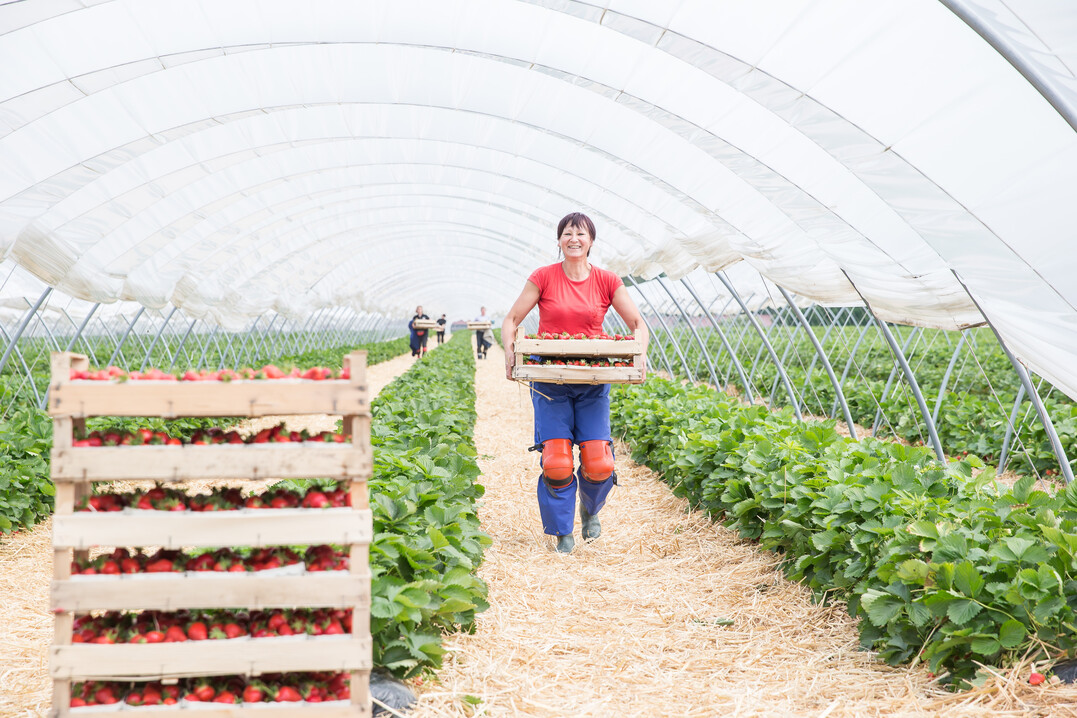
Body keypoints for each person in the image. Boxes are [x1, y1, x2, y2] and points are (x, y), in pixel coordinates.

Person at [501, 212, 648, 554]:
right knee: (557, 460)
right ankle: (562, 531)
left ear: (591, 241)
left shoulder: (608, 281)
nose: (574, 239)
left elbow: (637, 323)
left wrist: (639, 357)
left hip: (592, 379)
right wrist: (510, 353)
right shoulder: (543, 277)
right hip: (551, 379)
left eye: (581, 234)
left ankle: (590, 508)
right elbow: (511, 320)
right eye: (567, 233)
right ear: (559, 240)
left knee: (599, 462)